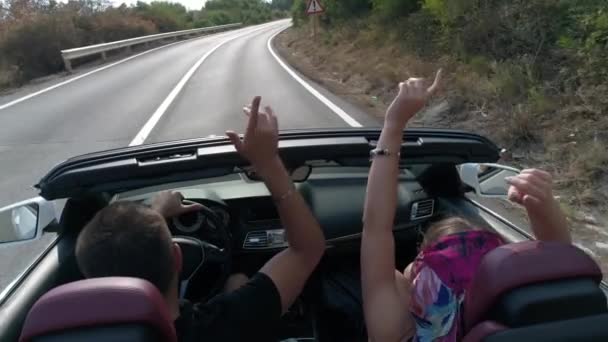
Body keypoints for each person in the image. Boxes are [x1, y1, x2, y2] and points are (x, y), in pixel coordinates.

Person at [76, 96, 326, 342]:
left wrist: (155, 217)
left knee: (236, 281)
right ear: (177, 257)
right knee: (237, 280)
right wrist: (268, 162)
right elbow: (307, 249)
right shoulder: (224, 327)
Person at [360, 71, 572, 342]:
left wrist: (394, 122)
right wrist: (544, 207)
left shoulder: (398, 332)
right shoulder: (524, 325)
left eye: (419, 263)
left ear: (423, 283)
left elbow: (376, 229)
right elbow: (561, 268)